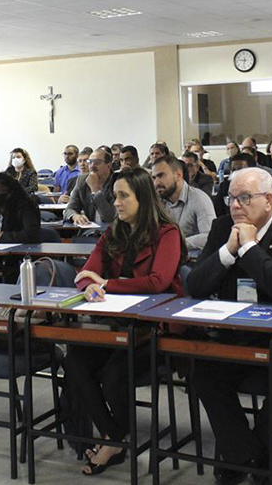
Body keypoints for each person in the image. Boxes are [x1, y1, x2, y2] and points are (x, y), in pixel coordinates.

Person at [188, 167, 272, 484]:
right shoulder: (222, 228)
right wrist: (228, 251)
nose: (234, 206)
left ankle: (240, 457)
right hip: (235, 336)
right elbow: (196, 287)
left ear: (269, 200)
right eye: (231, 198)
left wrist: (249, 248)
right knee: (201, 371)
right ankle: (253, 455)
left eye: (244, 198)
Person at [64, 167, 186, 476]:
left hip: (155, 330)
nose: (116, 203)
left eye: (123, 196)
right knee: (76, 361)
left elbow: (157, 282)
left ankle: (111, 443)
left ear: (142, 198)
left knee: (115, 373)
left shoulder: (166, 232)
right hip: (115, 327)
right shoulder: (113, 231)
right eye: (114, 196)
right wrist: (89, 285)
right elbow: (85, 274)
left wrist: (104, 283)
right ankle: (115, 438)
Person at [152, 156, 215, 250]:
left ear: (178, 175)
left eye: (161, 176)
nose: (156, 183)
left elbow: (209, 236)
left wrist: (176, 244)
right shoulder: (157, 200)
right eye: (154, 178)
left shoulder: (199, 199)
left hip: (192, 259)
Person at [65, 149, 117, 225]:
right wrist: (75, 216)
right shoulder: (82, 180)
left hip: (111, 231)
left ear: (109, 165)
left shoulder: (117, 182)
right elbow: (69, 209)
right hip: (89, 230)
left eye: (97, 162)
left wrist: (95, 190)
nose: (92, 166)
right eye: (90, 162)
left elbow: (108, 217)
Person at [213, 153, 255, 218]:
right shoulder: (225, 186)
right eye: (233, 170)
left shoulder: (261, 187)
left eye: (240, 169)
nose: (236, 173)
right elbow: (217, 210)